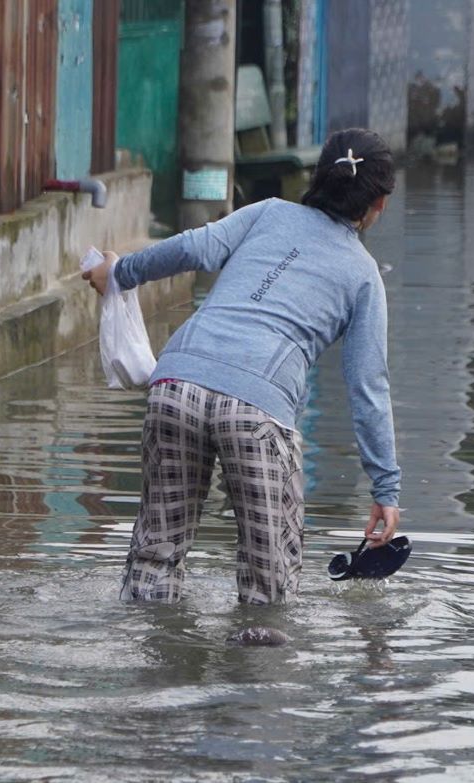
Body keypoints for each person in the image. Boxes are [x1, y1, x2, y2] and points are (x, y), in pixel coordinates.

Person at [83, 128, 402, 605]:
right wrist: (386, 487)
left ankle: (151, 669)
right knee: (269, 587)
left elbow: (194, 248)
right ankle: (251, 675)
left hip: (175, 385)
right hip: (258, 410)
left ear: (316, 180)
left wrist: (119, 273)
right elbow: (367, 386)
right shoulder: (364, 276)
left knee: (155, 560)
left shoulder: (269, 212)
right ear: (378, 204)